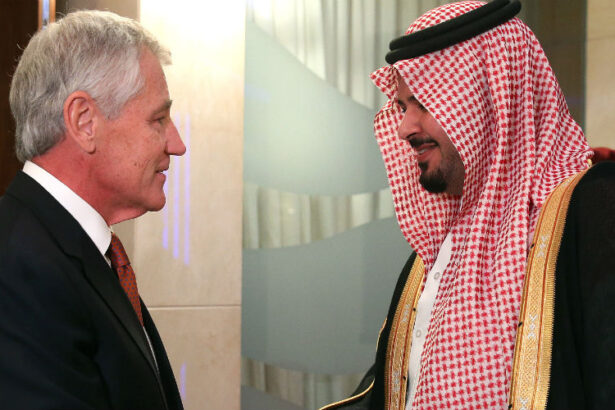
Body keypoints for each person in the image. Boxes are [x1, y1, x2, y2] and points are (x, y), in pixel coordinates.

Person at [322, 1, 615, 409]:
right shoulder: (435, 247)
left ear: (489, 99)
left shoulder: (592, 211)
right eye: (403, 107)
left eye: (424, 103)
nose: (404, 127)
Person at [0, 10, 185, 409]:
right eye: (158, 119)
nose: (177, 144)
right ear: (84, 121)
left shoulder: (70, 249)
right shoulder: (19, 268)